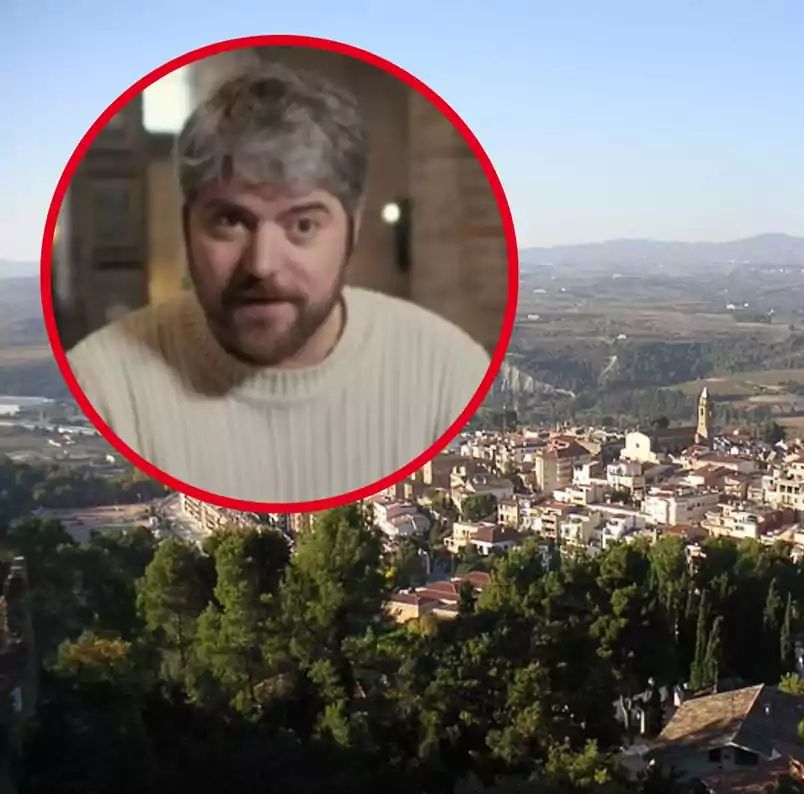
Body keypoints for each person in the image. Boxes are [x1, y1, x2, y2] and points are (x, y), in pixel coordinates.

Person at [66, 60, 495, 504]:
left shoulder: (446, 371)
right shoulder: (105, 384)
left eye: (304, 224)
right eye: (230, 220)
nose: (263, 264)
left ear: (353, 228)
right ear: (186, 226)